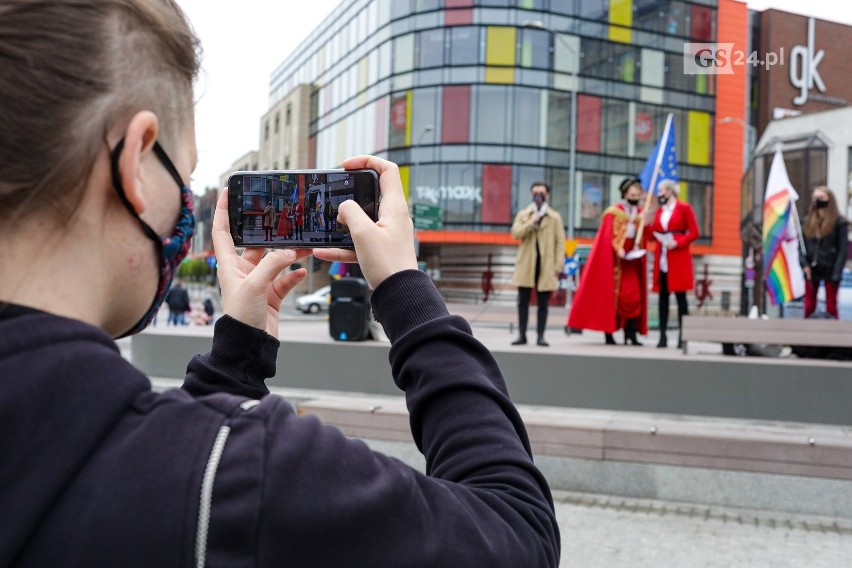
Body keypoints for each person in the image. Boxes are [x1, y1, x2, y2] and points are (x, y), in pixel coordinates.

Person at [0, 3, 560, 565]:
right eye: (185, 174)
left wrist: (232, 366)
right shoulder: (260, 471)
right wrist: (406, 290)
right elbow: (518, 532)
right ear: (136, 159)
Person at [568, 177, 648, 345]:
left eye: (637, 194)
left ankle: (630, 333)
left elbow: (646, 235)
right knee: (611, 299)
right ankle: (609, 334)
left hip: (631, 263)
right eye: (632, 194)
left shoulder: (640, 214)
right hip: (614, 265)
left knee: (633, 297)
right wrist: (617, 247)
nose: (635, 197)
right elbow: (607, 237)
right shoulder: (614, 212)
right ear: (625, 194)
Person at [510, 182, 566, 347]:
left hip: (546, 265)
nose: (538, 196)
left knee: (543, 303)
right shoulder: (524, 214)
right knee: (522, 302)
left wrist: (558, 265)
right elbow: (515, 234)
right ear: (531, 195)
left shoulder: (554, 217)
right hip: (527, 264)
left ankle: (541, 336)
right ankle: (522, 334)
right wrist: (531, 222)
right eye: (535, 193)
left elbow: (560, 241)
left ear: (547, 195)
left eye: (541, 193)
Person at [649, 179, 700, 348]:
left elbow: (694, 232)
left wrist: (678, 242)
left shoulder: (684, 208)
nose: (659, 194)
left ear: (670, 191)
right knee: (663, 298)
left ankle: (682, 337)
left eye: (661, 190)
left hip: (678, 256)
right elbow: (652, 231)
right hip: (662, 257)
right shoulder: (659, 212)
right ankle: (662, 336)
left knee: (681, 298)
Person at [799, 187, 849, 318]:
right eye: (815, 198)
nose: (817, 201)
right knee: (809, 305)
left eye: (821, 198)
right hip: (811, 267)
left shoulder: (839, 222)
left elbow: (843, 250)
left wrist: (837, 272)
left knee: (831, 306)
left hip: (830, 267)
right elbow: (800, 246)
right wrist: (804, 264)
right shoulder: (807, 222)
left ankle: (833, 336)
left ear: (829, 200)